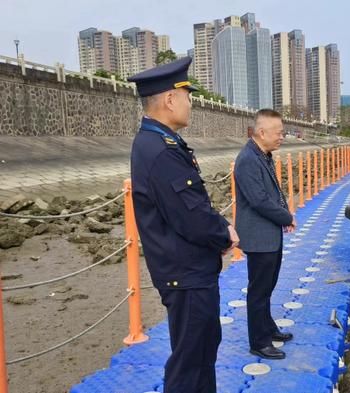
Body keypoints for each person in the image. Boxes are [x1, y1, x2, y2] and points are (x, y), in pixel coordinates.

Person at [128, 57, 239, 392]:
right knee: (189, 362)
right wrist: (226, 233)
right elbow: (191, 217)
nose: (191, 104)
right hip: (187, 275)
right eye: (187, 96)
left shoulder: (160, 143)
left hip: (188, 272)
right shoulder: (160, 150)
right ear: (170, 100)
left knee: (203, 352)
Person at [234, 109, 296, 360]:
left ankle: (268, 328)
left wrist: (285, 214)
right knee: (259, 290)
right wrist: (286, 217)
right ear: (262, 132)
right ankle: (259, 342)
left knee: (267, 286)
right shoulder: (248, 158)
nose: (282, 136)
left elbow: (273, 193)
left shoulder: (264, 154)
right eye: (278, 132)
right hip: (259, 237)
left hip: (269, 233)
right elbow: (258, 200)